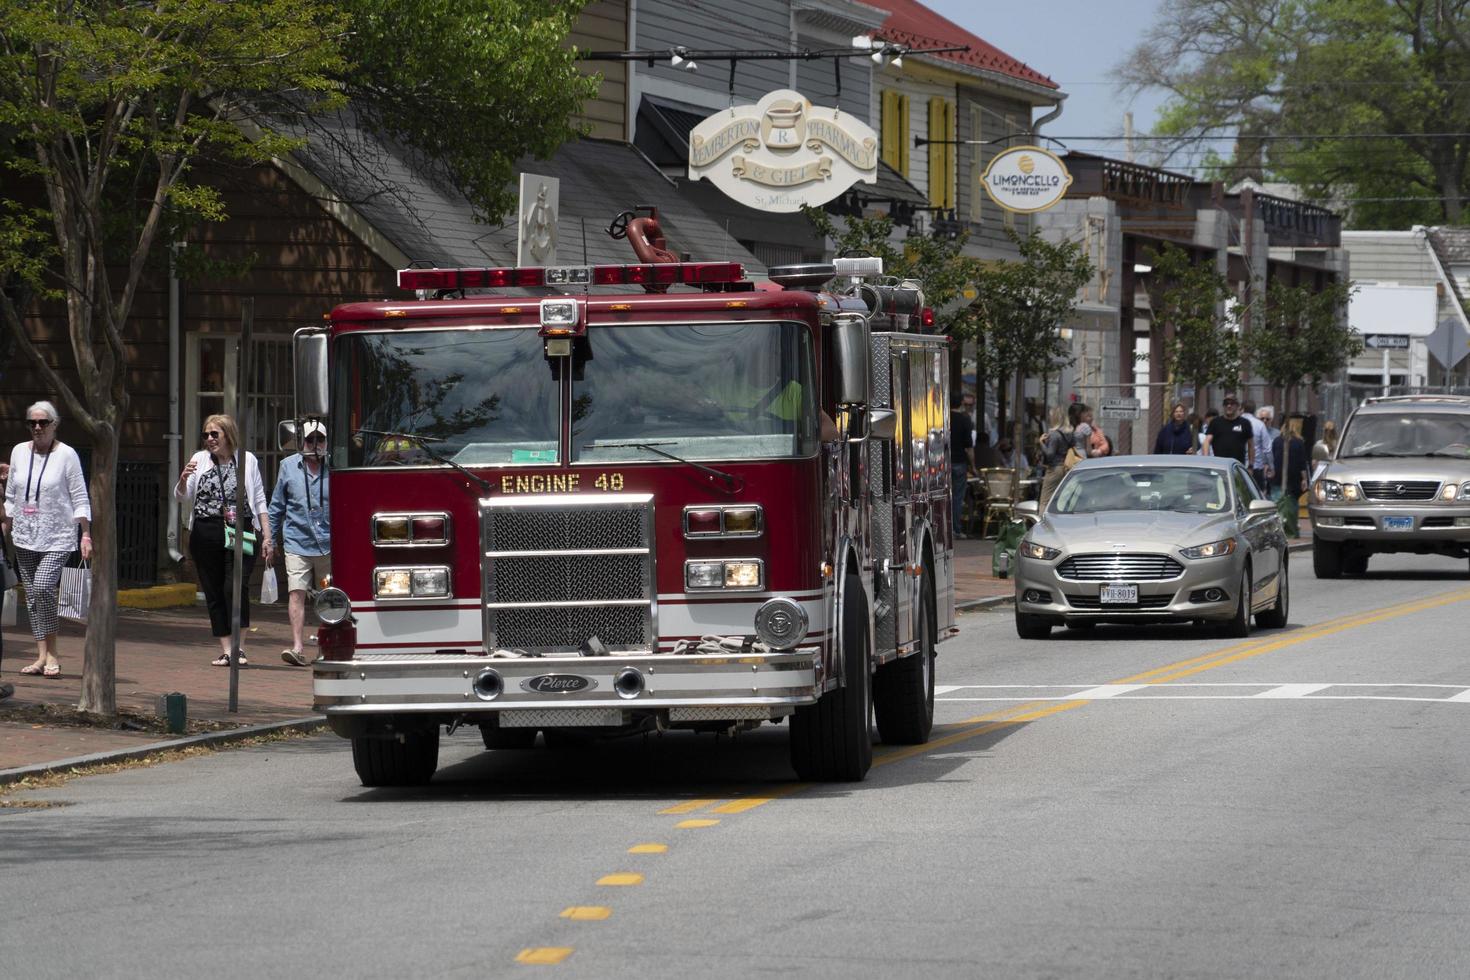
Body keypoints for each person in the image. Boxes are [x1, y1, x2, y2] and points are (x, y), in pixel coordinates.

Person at [175, 414, 273, 667]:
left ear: (228, 434)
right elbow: (183, 497)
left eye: (214, 434)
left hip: (241, 530)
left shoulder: (247, 460)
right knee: (214, 591)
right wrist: (184, 479)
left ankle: (240, 648)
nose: (209, 439)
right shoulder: (199, 459)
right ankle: (227, 649)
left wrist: (268, 536)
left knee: (236, 587)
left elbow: (260, 500)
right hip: (206, 532)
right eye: (206, 434)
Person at [3, 401, 92, 679]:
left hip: (57, 534)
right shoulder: (19, 451)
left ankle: (53, 654)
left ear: (55, 424)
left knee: (42, 587)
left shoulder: (67, 455)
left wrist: (86, 533)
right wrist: (7, 522)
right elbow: (12, 495)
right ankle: (41, 656)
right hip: (26, 533)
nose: (38, 428)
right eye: (32, 423)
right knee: (31, 596)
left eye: (43, 423)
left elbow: (79, 495)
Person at [269, 421, 331, 666]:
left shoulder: (335, 466)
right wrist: (270, 538)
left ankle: (327, 645)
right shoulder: (288, 466)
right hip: (297, 540)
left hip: (329, 542)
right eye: (310, 440)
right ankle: (297, 646)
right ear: (301, 442)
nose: (315, 445)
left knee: (328, 596)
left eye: (320, 440)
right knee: (296, 592)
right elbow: (276, 507)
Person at [1038, 404, 1082, 510]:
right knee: (1060, 499)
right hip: (1067, 467)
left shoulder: (1054, 434)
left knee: (1045, 500)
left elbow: (1049, 455)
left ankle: (1043, 523)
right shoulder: (1070, 433)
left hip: (1054, 469)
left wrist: (1041, 443)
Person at [1272, 420, 1309, 537]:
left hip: (1277, 477)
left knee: (1277, 504)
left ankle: (1279, 530)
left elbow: (1273, 458)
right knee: (1292, 505)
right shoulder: (1299, 443)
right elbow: (1302, 463)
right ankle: (1292, 529)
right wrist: (1304, 479)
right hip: (1294, 479)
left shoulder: (1276, 441)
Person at [949, 396, 977, 538]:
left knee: (946, 497)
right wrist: (973, 466)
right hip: (960, 462)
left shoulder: (944, 419)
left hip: (944, 463)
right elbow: (969, 447)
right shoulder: (965, 420)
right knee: (958, 497)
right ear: (960, 404)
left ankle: (946, 528)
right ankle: (956, 529)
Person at [1200, 395, 1254, 467]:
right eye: (1226, 403)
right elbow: (1207, 441)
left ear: (1237, 406)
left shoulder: (1245, 423)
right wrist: (1206, 460)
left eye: (1232, 403)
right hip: (1219, 466)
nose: (1229, 406)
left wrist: (1251, 465)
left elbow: (1251, 445)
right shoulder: (1215, 422)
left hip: (1237, 467)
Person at [1241, 400, 1275, 491]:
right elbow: (1267, 449)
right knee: (1257, 494)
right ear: (1254, 411)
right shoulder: (1259, 425)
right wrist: (1271, 467)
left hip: (1238, 466)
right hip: (1256, 468)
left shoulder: (1236, 423)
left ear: (1242, 409)